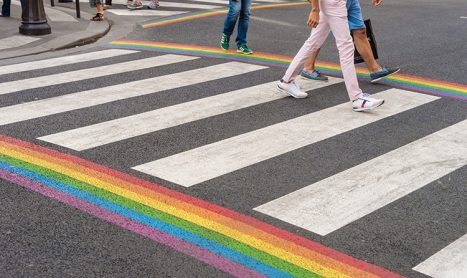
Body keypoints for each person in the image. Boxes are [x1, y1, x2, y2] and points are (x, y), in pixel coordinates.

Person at [277, 0, 385, 112]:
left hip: (332, 4)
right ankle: (356, 97)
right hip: (334, 4)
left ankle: (286, 81)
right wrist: (315, 9)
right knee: (346, 47)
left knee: (313, 43)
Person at [301, 0, 399, 83]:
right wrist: (315, 9)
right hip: (332, 3)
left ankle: (375, 69)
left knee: (360, 31)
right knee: (320, 34)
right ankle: (306, 69)